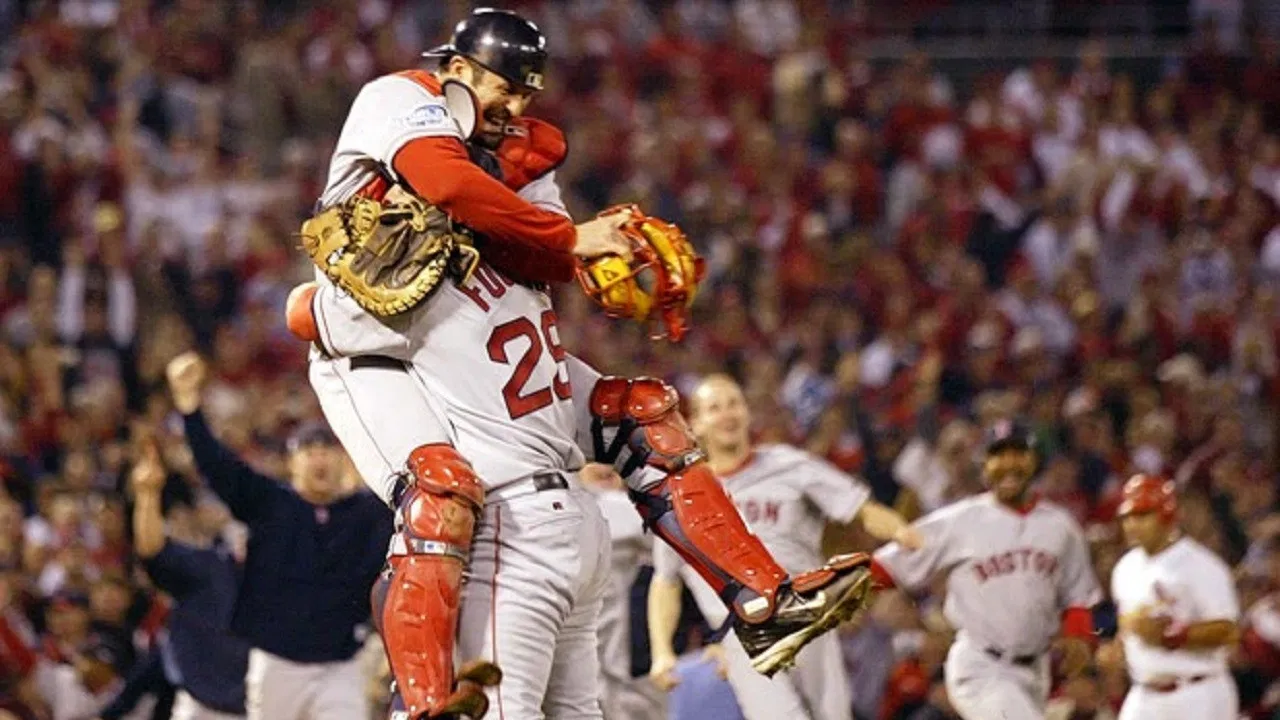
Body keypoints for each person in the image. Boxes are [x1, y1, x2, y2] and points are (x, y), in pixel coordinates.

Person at [284, 7, 876, 718]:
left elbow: (541, 249)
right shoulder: (399, 97)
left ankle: (761, 600)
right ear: (459, 69)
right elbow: (448, 184)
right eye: (504, 88)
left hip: (460, 345)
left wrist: (593, 249)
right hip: (362, 342)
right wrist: (568, 239)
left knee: (642, 415)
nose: (515, 108)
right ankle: (425, 702)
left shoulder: (519, 152)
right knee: (439, 493)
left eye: (526, 94)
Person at [646, 374, 921, 720]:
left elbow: (861, 509)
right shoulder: (679, 497)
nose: (727, 414)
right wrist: (661, 651)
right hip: (742, 632)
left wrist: (904, 532)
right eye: (715, 408)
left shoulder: (789, 464)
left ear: (747, 412)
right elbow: (666, 581)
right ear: (696, 423)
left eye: (734, 404)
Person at [165, 352, 393, 720]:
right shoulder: (271, 502)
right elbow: (217, 465)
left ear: (343, 460)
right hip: (277, 663)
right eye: (309, 450)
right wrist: (189, 408)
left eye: (327, 450)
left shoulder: (367, 513)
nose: (319, 458)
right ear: (292, 462)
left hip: (339, 665)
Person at [869, 420, 1102, 720]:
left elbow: (1078, 595)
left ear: (1035, 461)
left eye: (1018, 454)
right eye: (998, 455)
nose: (1008, 464)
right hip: (981, 667)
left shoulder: (1061, 527)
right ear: (984, 465)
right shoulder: (963, 520)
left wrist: (1078, 634)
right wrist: (831, 589)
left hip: (1036, 670)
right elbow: (888, 563)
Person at [127, 436, 249, 720]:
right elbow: (151, 550)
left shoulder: (288, 575)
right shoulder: (210, 566)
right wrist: (147, 495)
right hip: (203, 707)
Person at [1109, 474, 1240, 720]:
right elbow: (1127, 624)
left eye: (1143, 515)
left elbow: (1228, 631)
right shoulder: (1124, 568)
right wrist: (1115, 645)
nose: (1132, 524)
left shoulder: (1201, 565)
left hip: (1197, 691)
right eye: (1128, 517)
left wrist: (1171, 635)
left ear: (1166, 516)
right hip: (1143, 693)